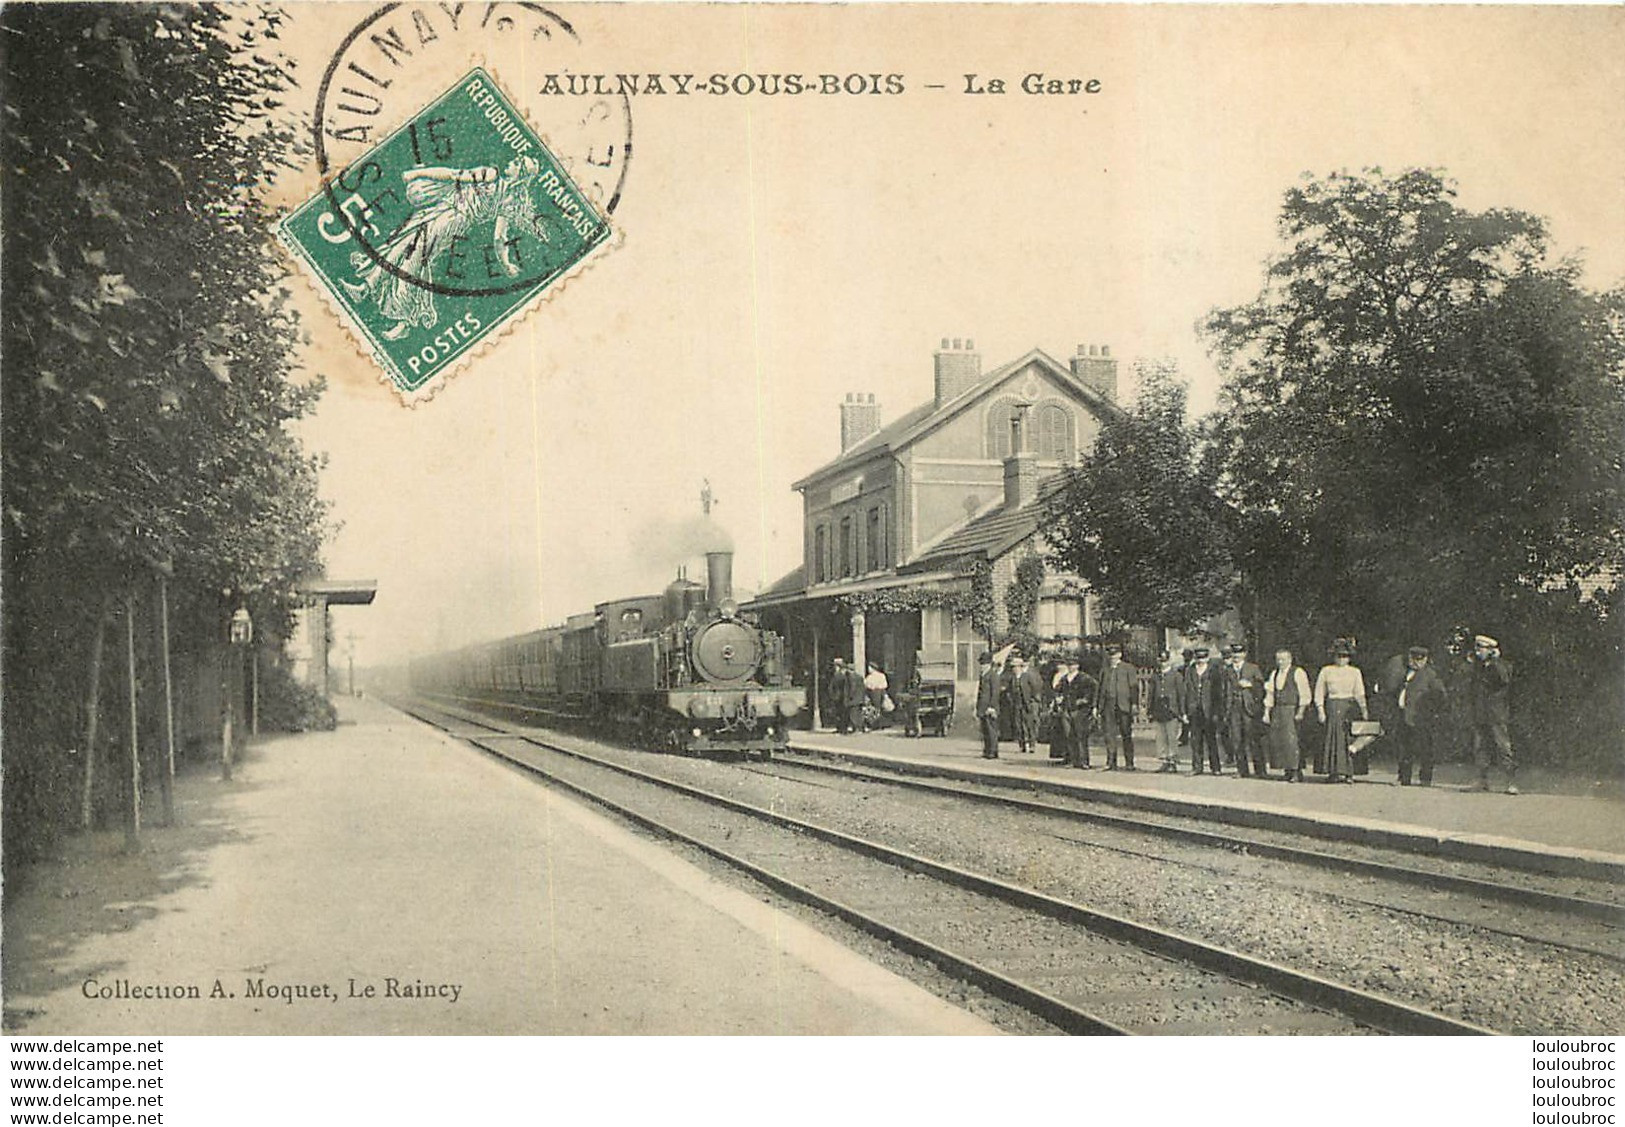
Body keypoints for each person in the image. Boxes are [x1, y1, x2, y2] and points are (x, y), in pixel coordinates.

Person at [1386, 645, 1449, 786]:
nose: (1415, 663)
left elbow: (1440, 695)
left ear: (1425, 660)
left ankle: (1425, 778)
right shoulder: (1404, 672)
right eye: (1413, 660)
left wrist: (1431, 712)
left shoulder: (1430, 675)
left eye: (1419, 660)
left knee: (1425, 748)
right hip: (1403, 715)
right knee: (1404, 748)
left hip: (1421, 718)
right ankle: (1404, 777)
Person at [1313, 638, 1368, 783]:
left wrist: (1364, 709)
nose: (1342, 659)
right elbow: (1319, 691)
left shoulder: (1355, 672)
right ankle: (1333, 772)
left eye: (1345, 656)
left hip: (1349, 707)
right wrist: (1320, 709)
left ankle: (1349, 772)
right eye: (1339, 656)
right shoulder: (1326, 671)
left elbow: (1359, 692)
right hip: (1332, 706)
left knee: (1348, 739)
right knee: (1333, 739)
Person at [1467, 634, 1517, 794]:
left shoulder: (1503, 665)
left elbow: (1504, 679)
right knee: (1480, 747)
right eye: (1477, 648)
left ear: (1491, 650)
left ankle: (1511, 782)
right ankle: (1482, 781)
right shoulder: (1478, 667)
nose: (1477, 651)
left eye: (1480, 648)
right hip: (1481, 713)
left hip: (1496, 715)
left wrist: (1494, 661)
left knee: (1503, 748)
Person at [1263, 649, 1311, 782]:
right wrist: (1267, 712)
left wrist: (1300, 711)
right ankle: (1287, 770)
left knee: (1292, 741)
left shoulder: (1298, 672)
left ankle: (1296, 770)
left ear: (1290, 659)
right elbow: (1270, 694)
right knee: (1279, 740)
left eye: (1283, 659)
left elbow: (1304, 693)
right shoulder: (1275, 673)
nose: (1280, 662)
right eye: (1278, 659)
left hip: (1291, 709)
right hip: (1278, 710)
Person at [1220, 643, 1267, 778]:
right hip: (1233, 708)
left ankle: (1260, 771)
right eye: (1234, 654)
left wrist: (1250, 685)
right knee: (1237, 740)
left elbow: (1262, 687)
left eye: (1239, 654)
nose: (1236, 656)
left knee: (1253, 739)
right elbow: (1223, 690)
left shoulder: (1253, 668)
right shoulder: (1227, 670)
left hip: (1249, 708)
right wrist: (1225, 709)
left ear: (1244, 655)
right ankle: (1242, 770)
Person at [1095, 644, 1138, 770]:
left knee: (1126, 733)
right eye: (1110, 655)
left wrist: (1134, 704)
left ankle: (1129, 763)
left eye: (1115, 655)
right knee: (1109, 734)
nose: (1112, 657)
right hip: (1108, 705)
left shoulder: (1128, 668)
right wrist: (1097, 706)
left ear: (1120, 655)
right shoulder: (1105, 670)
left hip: (1123, 705)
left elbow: (1134, 687)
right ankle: (1111, 762)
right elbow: (1100, 689)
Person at [1184, 647, 1223, 774]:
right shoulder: (1190, 671)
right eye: (1198, 658)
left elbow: (1218, 693)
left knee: (1211, 740)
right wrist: (1186, 711)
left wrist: (1217, 711)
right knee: (1195, 740)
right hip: (1194, 709)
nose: (1200, 661)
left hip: (1209, 710)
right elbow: (1186, 690)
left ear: (1207, 658)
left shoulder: (1214, 671)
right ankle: (1197, 767)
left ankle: (1216, 768)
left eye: (1203, 658)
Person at [1149, 650, 1186, 772]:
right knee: (1161, 737)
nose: (1163, 663)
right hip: (1158, 710)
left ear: (1170, 661)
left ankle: (1172, 761)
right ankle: (1165, 761)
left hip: (1172, 710)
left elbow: (1181, 695)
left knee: (1172, 737)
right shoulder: (1155, 676)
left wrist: (1182, 712)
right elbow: (1151, 694)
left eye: (1165, 661)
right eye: (1161, 661)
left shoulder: (1176, 675)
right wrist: (1150, 710)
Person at [1006, 655, 1044, 754]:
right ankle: (1021, 745)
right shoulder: (1012, 678)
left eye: (1016, 667)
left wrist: (1032, 700)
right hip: (1017, 704)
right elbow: (1009, 691)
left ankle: (1032, 745)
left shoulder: (1027, 676)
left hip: (1027, 704)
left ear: (1020, 667)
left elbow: (1035, 689)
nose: (1014, 669)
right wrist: (1011, 700)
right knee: (1018, 726)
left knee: (1029, 725)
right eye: (1013, 667)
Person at [975, 651, 1002, 759]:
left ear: (988, 664)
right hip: (982, 707)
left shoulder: (993, 675)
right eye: (981, 664)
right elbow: (980, 693)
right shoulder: (983, 676)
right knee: (985, 730)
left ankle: (993, 751)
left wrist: (992, 707)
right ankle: (987, 750)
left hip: (990, 707)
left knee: (992, 730)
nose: (981, 666)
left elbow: (995, 692)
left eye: (983, 664)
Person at [863, 662, 890, 729]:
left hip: (873, 693)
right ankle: (880, 724)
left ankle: (874, 724)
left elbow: (866, 684)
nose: (869, 669)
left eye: (869, 668)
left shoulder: (870, 677)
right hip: (881, 692)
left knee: (874, 709)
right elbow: (885, 685)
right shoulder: (882, 676)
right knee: (879, 709)